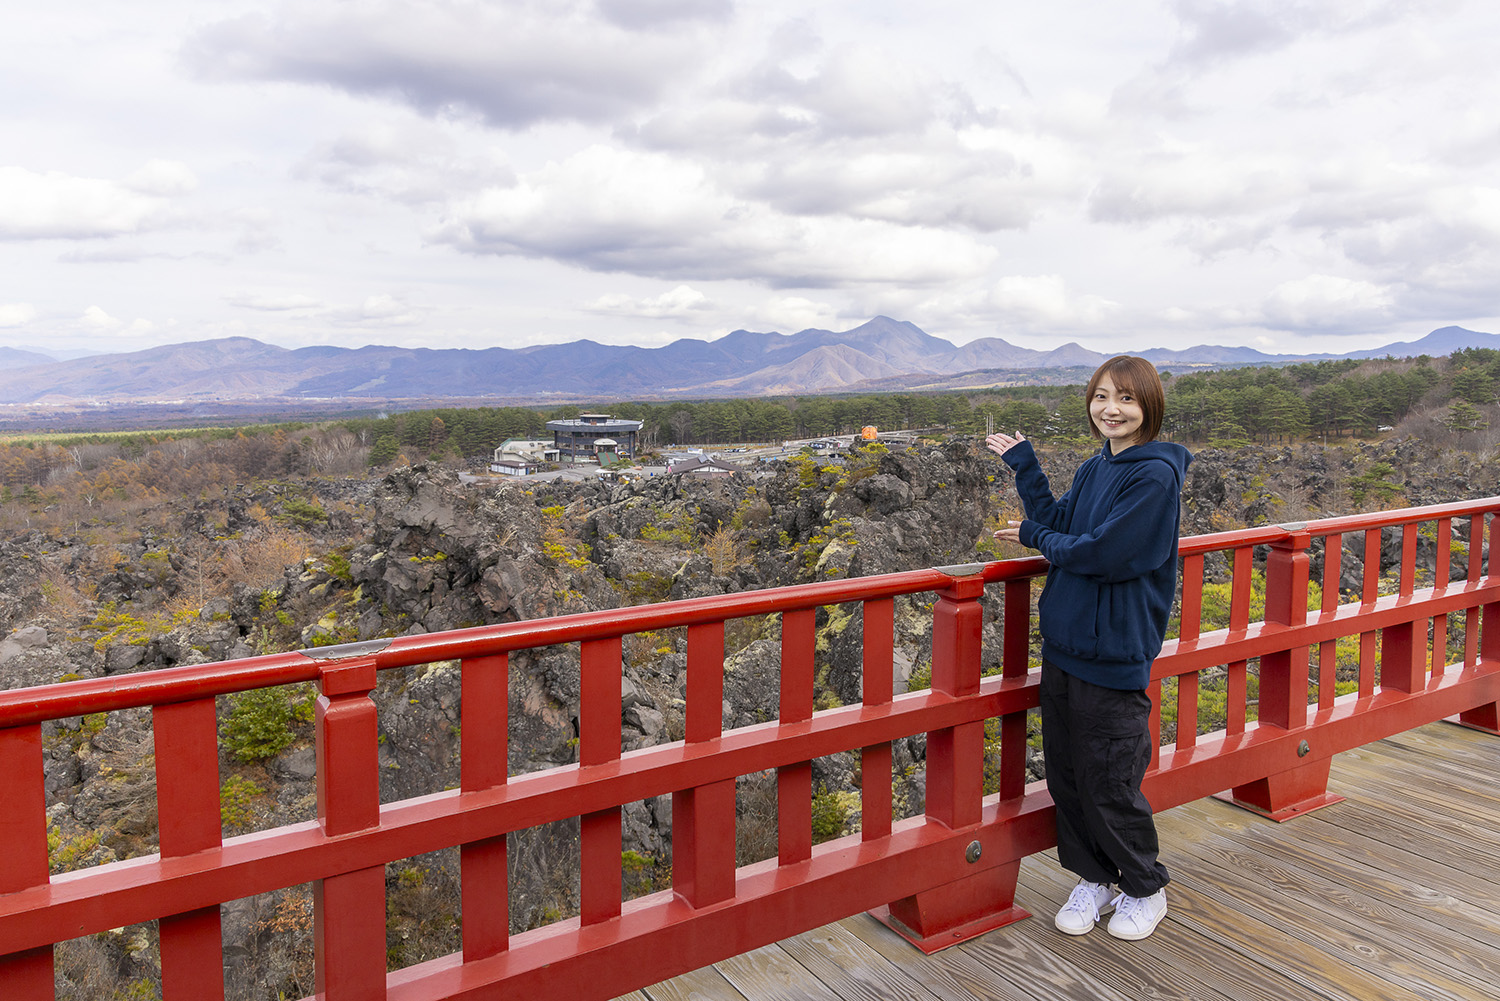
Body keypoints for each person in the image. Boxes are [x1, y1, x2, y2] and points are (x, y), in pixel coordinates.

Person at [985, 355, 1191, 942]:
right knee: (1069, 775)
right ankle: (1095, 877)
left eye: (1125, 398)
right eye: (1102, 396)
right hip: (1067, 647)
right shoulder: (1096, 467)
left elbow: (1102, 554)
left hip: (1114, 651)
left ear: (1149, 406)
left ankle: (1144, 887)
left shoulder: (1153, 477)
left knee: (1111, 778)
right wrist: (1023, 466)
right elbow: (1060, 525)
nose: (1112, 409)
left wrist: (1035, 537)